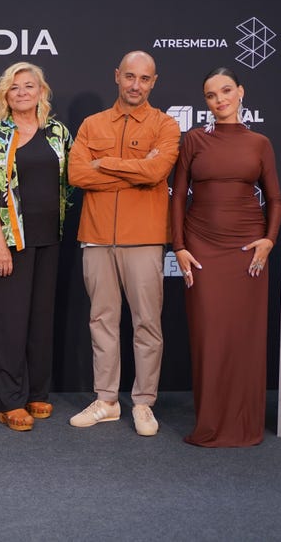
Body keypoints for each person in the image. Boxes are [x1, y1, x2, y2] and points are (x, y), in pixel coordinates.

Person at [67, 50, 179, 437]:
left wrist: (105, 164)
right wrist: (135, 169)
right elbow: (77, 175)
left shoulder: (165, 125)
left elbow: (156, 171)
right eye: (130, 76)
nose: (136, 85)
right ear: (117, 76)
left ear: (153, 82)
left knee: (147, 322)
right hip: (96, 236)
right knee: (102, 321)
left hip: (144, 238)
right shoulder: (92, 124)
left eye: (144, 79)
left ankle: (144, 402)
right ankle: (107, 400)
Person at [172, 67, 281, 447]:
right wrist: (179, 246)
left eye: (225, 91)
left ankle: (244, 423)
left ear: (240, 92)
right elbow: (177, 195)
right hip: (202, 247)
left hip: (246, 250)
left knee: (244, 336)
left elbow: (275, 198)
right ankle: (211, 422)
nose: (219, 100)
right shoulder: (194, 140)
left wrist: (269, 240)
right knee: (210, 336)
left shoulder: (260, 143)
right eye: (210, 95)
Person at [0, 62, 73, 432]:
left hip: (50, 238)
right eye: (14, 87)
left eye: (28, 86)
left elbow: (75, 177)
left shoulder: (58, 132)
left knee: (41, 321)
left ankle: (37, 392)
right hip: (12, 241)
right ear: (6, 95)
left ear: (41, 91)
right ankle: (10, 401)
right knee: (10, 323)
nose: (22, 92)